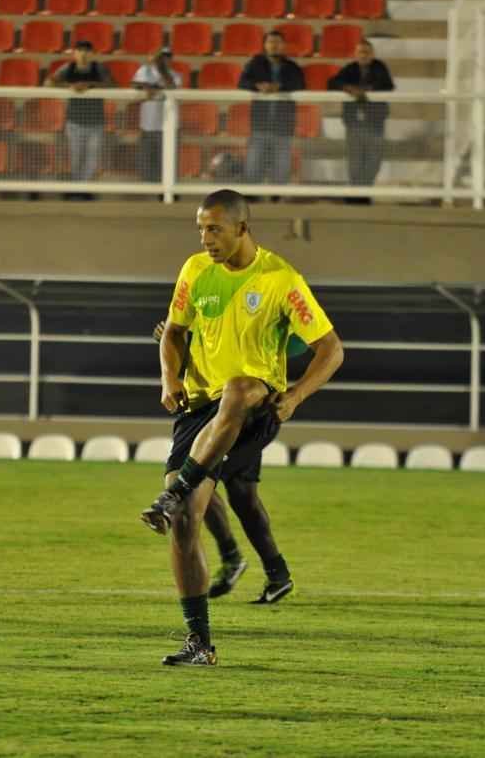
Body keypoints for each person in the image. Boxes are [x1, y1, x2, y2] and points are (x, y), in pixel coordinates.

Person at [142, 189, 344, 666]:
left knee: (237, 391)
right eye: (200, 229)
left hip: (254, 406)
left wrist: (294, 395)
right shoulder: (195, 271)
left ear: (241, 228)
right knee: (188, 521)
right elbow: (172, 332)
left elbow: (331, 349)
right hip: (199, 410)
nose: (205, 239)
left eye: (214, 229)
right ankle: (200, 643)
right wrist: (169, 377)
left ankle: (185, 501)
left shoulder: (279, 278)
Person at [152, 319, 309, 603]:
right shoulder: (208, 294)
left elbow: (305, 343)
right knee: (241, 493)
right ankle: (276, 574)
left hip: (248, 408)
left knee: (198, 476)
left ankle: (234, 557)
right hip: (212, 406)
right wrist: (180, 343)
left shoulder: (270, 295)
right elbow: (207, 346)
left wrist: (293, 386)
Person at [327, 40, 395, 194]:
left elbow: (387, 85)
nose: (363, 55)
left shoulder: (380, 67)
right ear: (355, 54)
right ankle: (355, 193)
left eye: (367, 52)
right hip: (354, 123)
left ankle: (366, 190)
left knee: (374, 160)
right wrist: (348, 88)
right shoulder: (349, 69)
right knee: (355, 160)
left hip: (375, 122)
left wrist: (366, 90)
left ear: (372, 54)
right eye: (360, 52)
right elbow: (332, 82)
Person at [239, 31, 305, 185]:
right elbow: (242, 82)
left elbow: (300, 84)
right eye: (270, 42)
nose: (274, 45)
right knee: (253, 167)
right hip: (259, 126)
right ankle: (252, 199)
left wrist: (279, 87)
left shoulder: (292, 67)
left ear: (283, 46)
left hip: (283, 127)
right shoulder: (254, 64)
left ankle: (277, 200)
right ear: (265, 45)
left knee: (281, 169)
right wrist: (258, 86)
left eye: (277, 42)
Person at [47, 40, 113, 189]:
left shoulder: (99, 68)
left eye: (86, 51)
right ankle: (76, 188)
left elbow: (112, 85)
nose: (83, 54)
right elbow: (49, 82)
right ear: (74, 53)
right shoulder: (67, 68)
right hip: (74, 122)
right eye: (79, 51)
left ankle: (85, 188)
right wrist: (70, 87)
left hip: (96, 122)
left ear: (92, 54)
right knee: (76, 158)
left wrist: (90, 86)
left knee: (93, 158)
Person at [132, 48, 182, 183]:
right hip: (148, 125)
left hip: (169, 127)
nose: (163, 60)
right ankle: (150, 190)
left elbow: (172, 87)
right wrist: (148, 87)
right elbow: (135, 85)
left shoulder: (176, 75)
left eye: (166, 57)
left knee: (169, 161)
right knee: (147, 163)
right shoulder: (144, 71)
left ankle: (169, 193)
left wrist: (160, 72)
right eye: (160, 56)